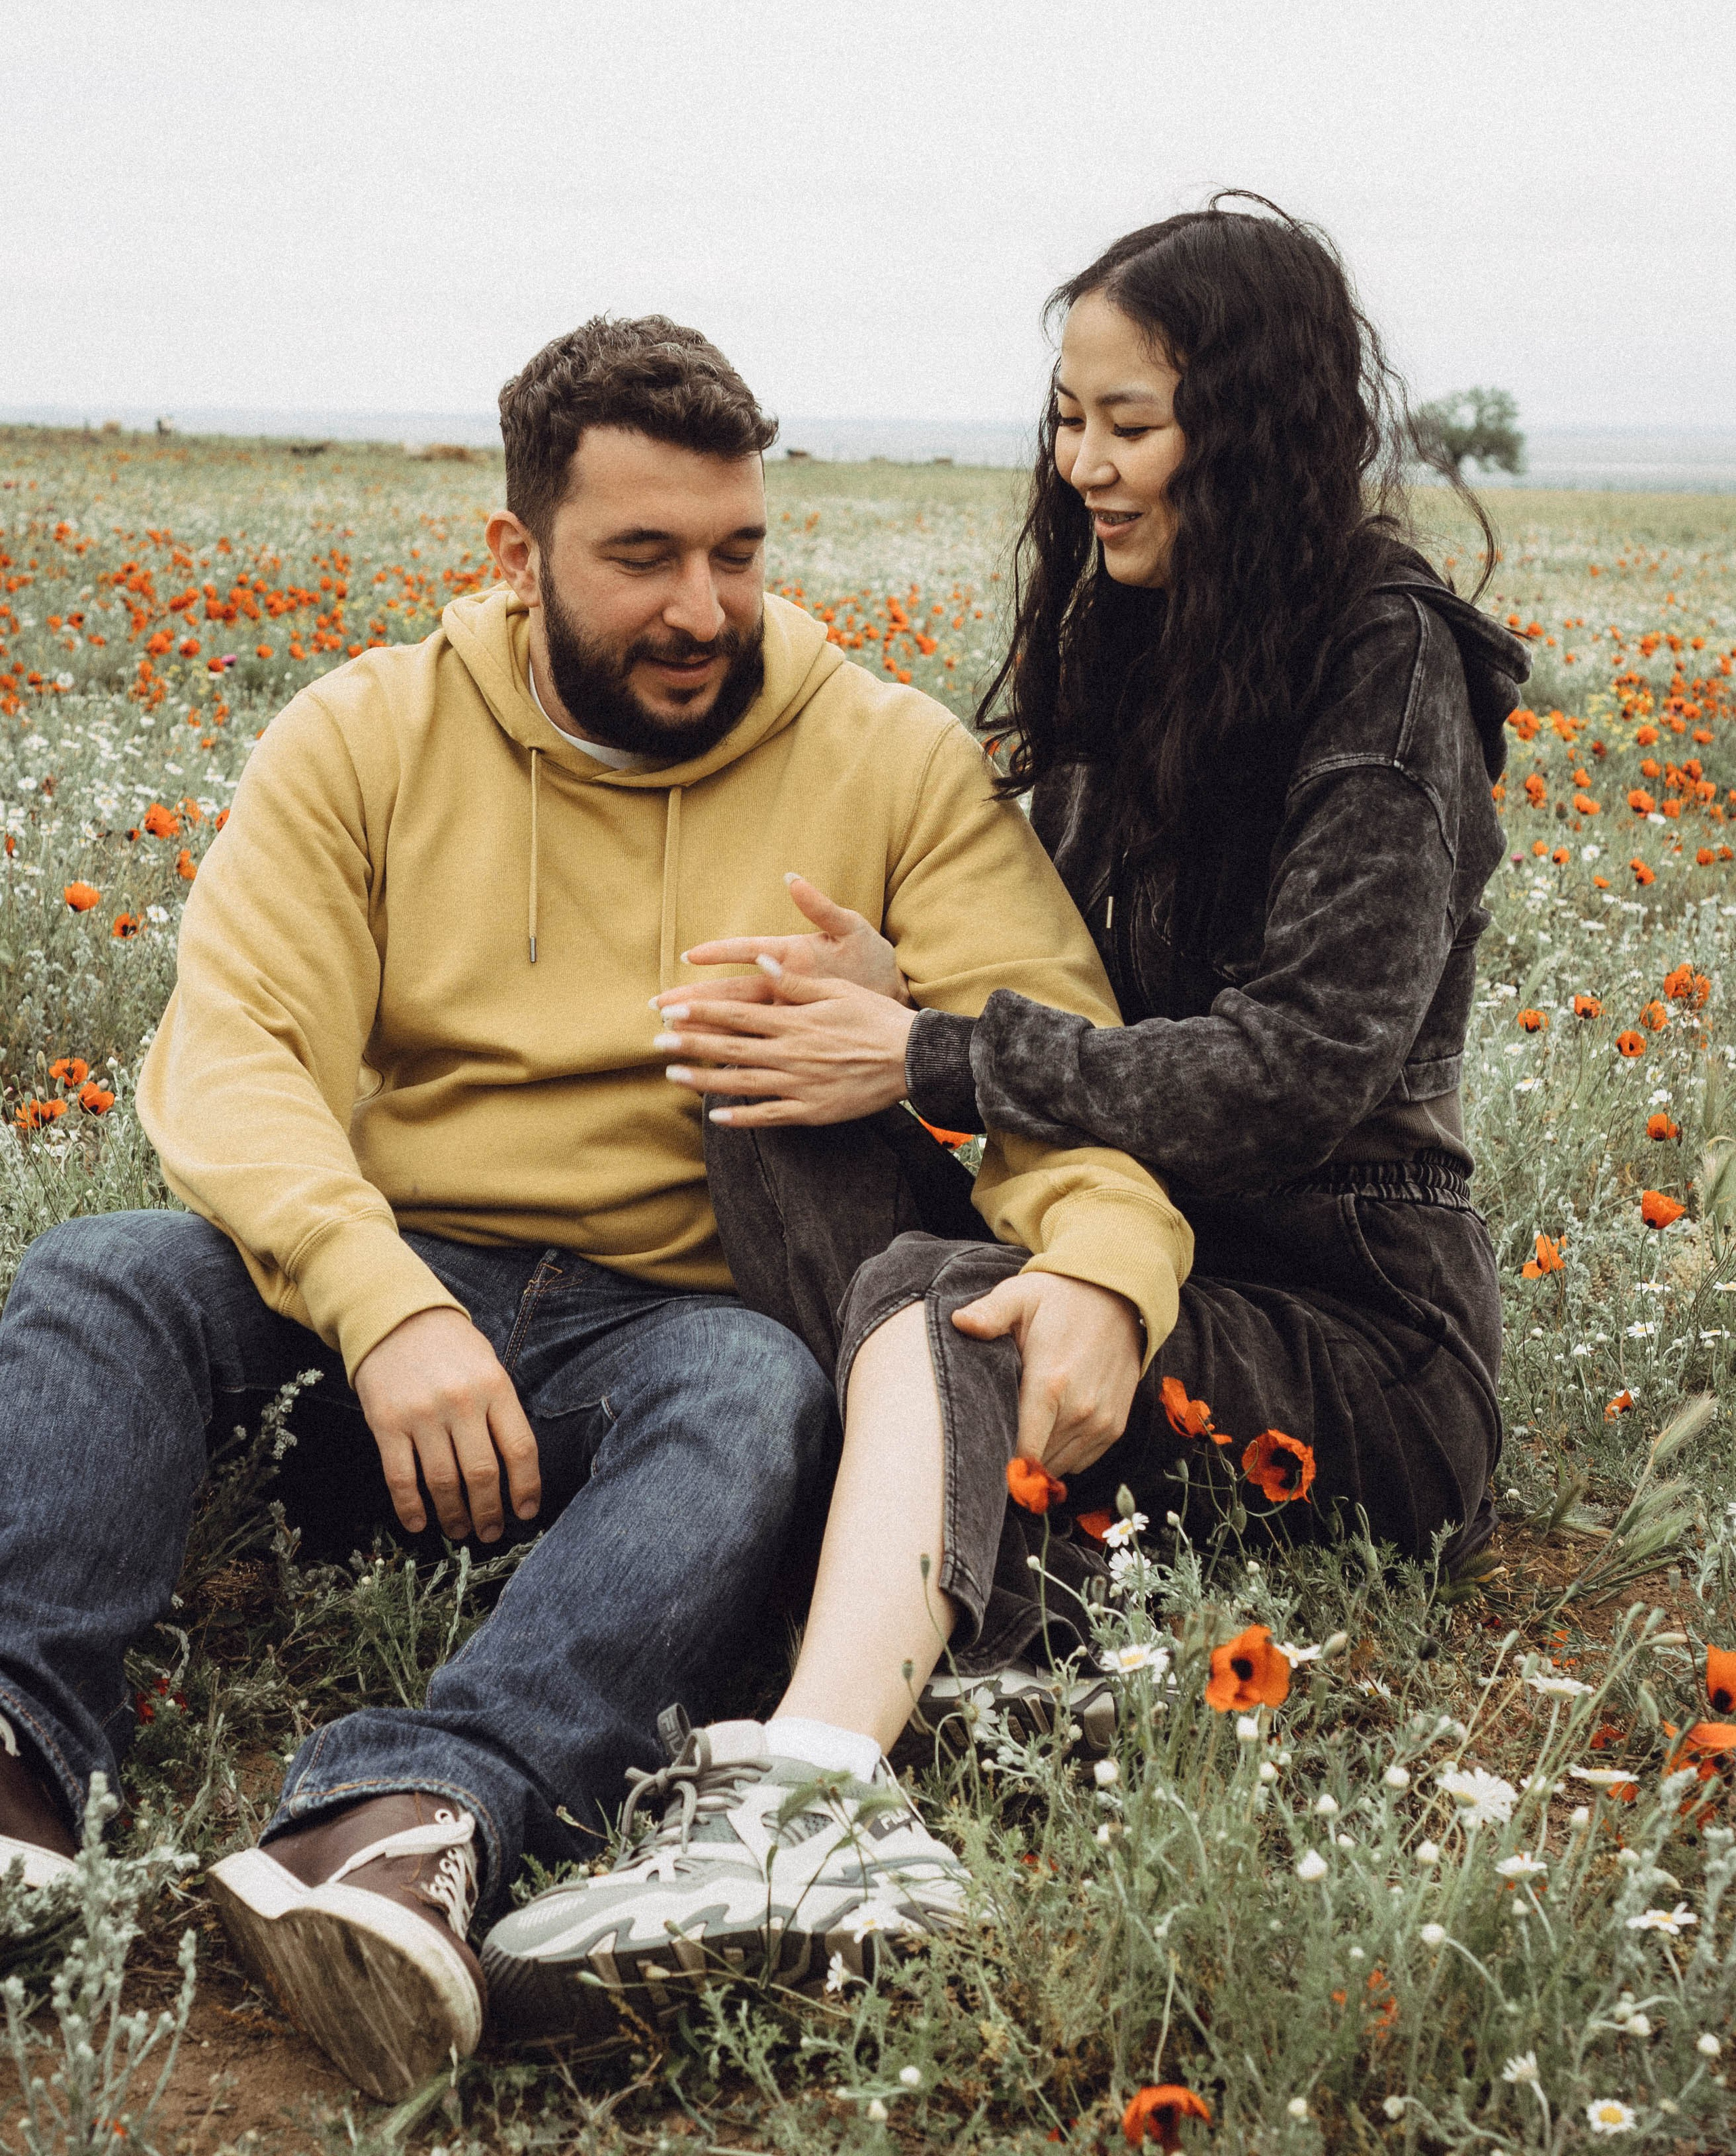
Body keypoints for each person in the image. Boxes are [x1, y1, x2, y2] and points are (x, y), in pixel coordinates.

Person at [0, 317, 1188, 2100]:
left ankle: (400, 1818)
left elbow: (1055, 1066)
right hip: (382, 1324)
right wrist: (380, 1299)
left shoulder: (886, 761)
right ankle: (19, 1768)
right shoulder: (369, 734)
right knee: (104, 1280)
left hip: (656, 1345)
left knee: (756, 1392)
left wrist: (1102, 1263)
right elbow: (233, 1053)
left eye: (737, 552)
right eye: (641, 558)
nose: (703, 607)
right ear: (515, 554)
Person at [479, 200, 1526, 2029]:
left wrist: (941, 1059)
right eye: (1070, 418)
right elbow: (1074, 1010)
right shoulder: (1140, 640)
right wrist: (890, 1011)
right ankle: (959, 1603)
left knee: (937, 1307)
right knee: (774, 1081)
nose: (1086, 467)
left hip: (1348, 1331)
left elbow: (1301, 1072)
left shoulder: (1390, 662)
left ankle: (813, 1807)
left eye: (1131, 424)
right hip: (1131, 1257)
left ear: (1262, 424)